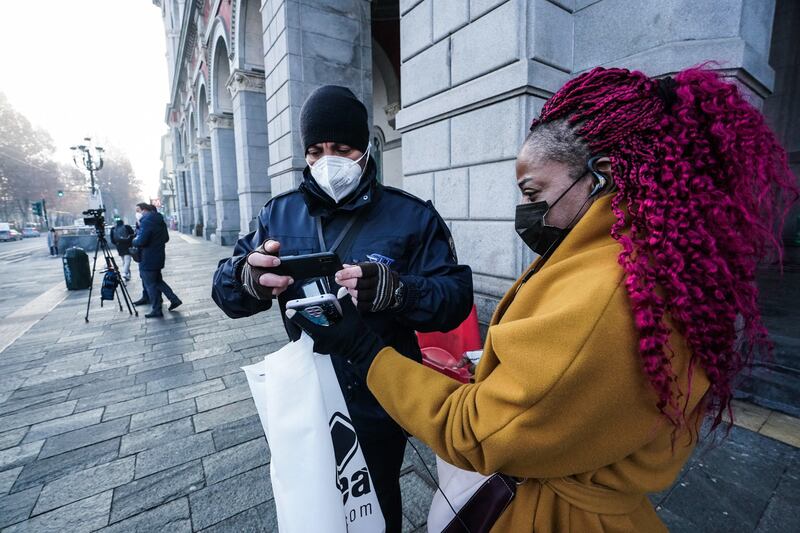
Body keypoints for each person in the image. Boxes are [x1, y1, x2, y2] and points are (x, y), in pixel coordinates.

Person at [286, 67, 799, 532]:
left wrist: (364, 345)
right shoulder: (656, 258)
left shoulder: (602, 296)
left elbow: (474, 429)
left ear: (603, 175)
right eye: (315, 150)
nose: (528, 214)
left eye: (534, 193)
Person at [212, 85, 473, 531]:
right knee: (316, 499)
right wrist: (246, 278)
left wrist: (399, 291)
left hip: (383, 388)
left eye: (343, 148)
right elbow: (226, 291)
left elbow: (454, 298)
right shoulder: (278, 214)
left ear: (367, 147)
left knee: (379, 498)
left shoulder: (411, 216)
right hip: (307, 387)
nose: (327, 161)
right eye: (315, 150)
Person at [132, 203, 182, 318]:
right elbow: (166, 238)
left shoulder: (146, 221)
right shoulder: (159, 220)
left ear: (144, 210)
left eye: (138, 210)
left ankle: (157, 309)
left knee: (151, 284)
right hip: (158, 256)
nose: (137, 213)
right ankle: (174, 299)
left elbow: (141, 241)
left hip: (148, 258)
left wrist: (134, 239)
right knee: (158, 281)